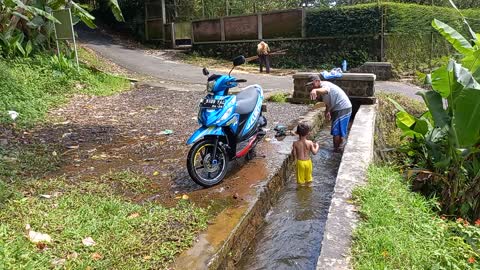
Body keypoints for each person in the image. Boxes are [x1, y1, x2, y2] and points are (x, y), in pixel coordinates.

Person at [307, 74, 352, 153]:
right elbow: (328, 101)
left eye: (312, 84)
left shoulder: (324, 85)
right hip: (341, 108)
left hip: (342, 108)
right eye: (310, 85)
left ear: (317, 81)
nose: (312, 87)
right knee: (340, 131)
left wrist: (315, 90)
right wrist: (328, 111)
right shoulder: (321, 88)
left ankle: (335, 151)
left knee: (336, 131)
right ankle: (340, 148)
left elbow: (326, 90)